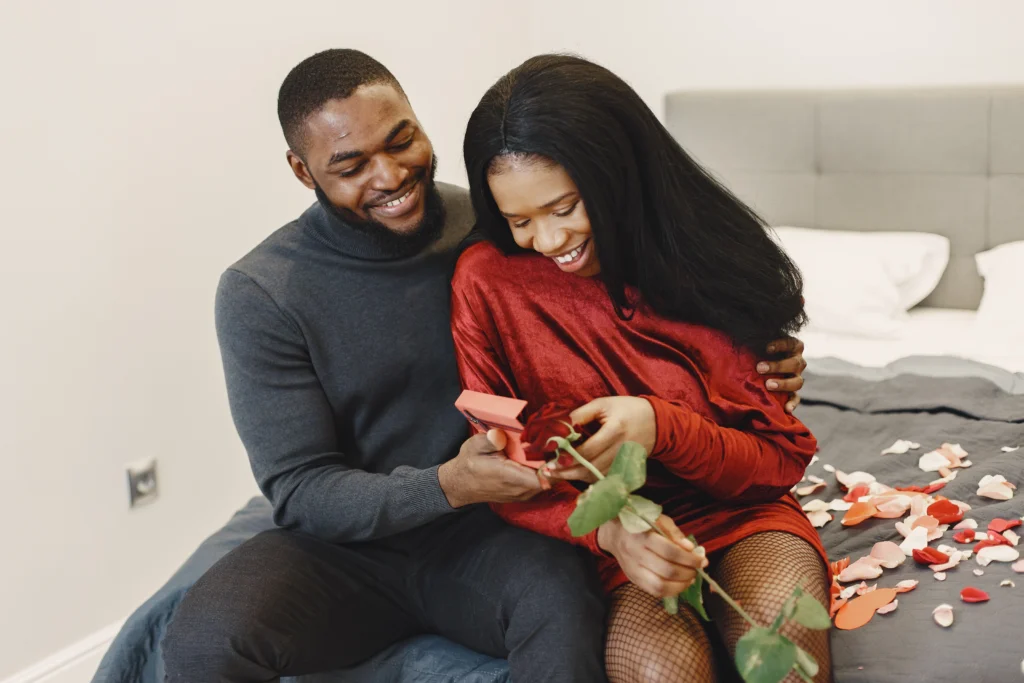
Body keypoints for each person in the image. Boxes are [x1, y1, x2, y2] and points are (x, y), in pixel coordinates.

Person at [161, 49, 808, 682]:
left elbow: (632, 307)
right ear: (303, 172)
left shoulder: (493, 219)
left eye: (401, 140)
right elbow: (300, 490)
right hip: (348, 545)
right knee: (197, 639)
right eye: (352, 165)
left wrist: (755, 354)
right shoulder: (262, 291)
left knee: (564, 616)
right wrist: (448, 483)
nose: (389, 176)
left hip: (495, 532)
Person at [452, 54, 831, 683]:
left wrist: (662, 427)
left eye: (565, 207)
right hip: (615, 534)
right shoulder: (486, 283)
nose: (547, 242)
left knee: (785, 642)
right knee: (661, 673)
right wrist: (612, 536)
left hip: (742, 511)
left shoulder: (713, 265)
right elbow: (502, 469)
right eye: (520, 221)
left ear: (615, 176)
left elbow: (777, 463)